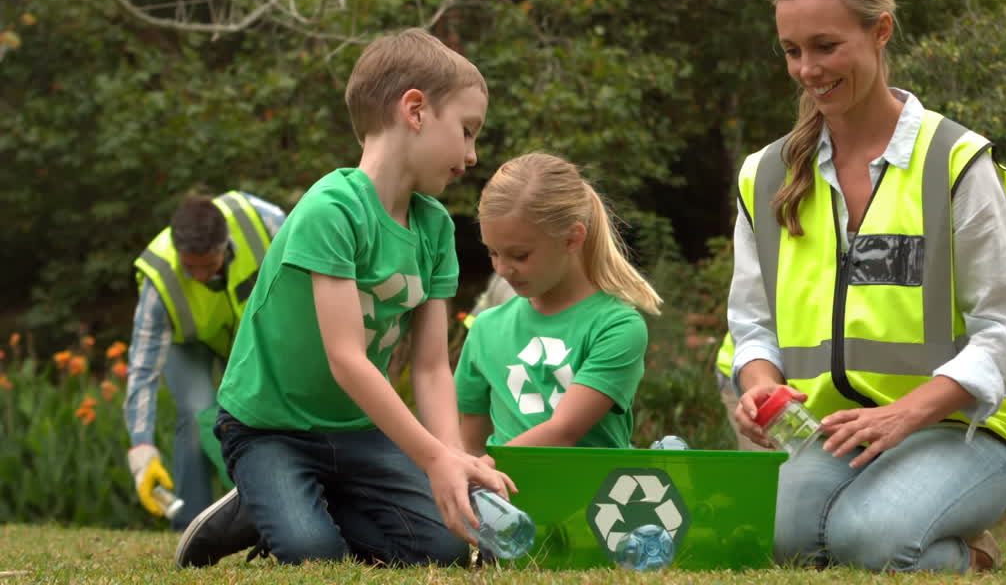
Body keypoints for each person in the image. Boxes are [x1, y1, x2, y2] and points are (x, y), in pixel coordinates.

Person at [729, 0, 1006, 574]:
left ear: (880, 30)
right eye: (792, 51)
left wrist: (906, 413)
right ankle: (897, 529)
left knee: (868, 541)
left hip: (958, 434)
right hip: (832, 435)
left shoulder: (956, 162)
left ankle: (964, 550)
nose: (808, 69)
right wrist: (759, 386)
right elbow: (752, 323)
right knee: (768, 538)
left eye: (826, 46)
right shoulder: (764, 177)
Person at [175, 28, 514, 568]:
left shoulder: (436, 229)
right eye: (468, 131)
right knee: (315, 554)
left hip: (355, 428)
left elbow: (429, 368)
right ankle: (256, 505)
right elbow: (347, 360)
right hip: (269, 428)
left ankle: (306, 497)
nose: (473, 156)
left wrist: (452, 459)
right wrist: (434, 460)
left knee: (444, 548)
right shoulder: (331, 209)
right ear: (415, 110)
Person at [455, 153, 660, 454]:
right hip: (503, 499)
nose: (501, 270)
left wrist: (486, 471)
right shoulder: (485, 328)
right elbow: (469, 444)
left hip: (594, 499)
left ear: (572, 238)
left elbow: (563, 431)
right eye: (493, 253)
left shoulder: (617, 327)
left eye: (520, 255)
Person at [127, 191, 285, 529]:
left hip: (252, 331)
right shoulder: (159, 279)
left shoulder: (263, 221)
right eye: (189, 267)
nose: (198, 276)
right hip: (189, 341)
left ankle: (267, 513)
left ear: (224, 246)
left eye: (208, 266)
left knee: (268, 410)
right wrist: (141, 449)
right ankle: (190, 525)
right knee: (196, 413)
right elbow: (142, 370)